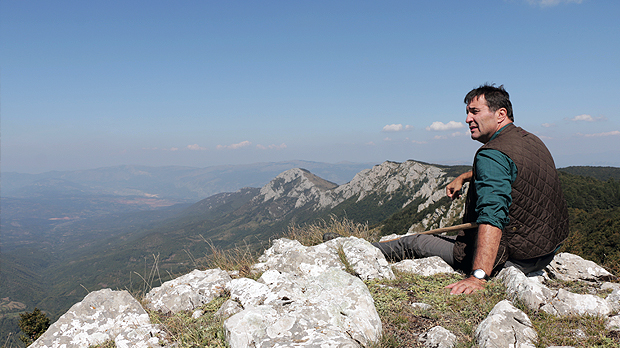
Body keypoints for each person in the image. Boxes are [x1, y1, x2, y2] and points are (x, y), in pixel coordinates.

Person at [369, 84, 569, 294]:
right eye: (467, 113)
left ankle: (354, 250)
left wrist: (478, 276)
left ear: (500, 114)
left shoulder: (492, 154)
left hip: (514, 257)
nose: (467, 120)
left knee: (413, 242)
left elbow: (492, 216)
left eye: (475, 112)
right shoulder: (530, 140)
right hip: (543, 252)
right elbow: (512, 172)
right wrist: (464, 177)